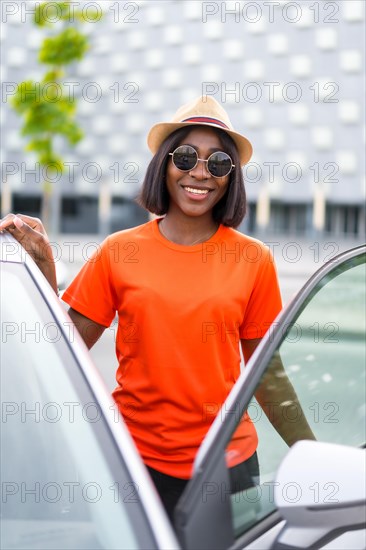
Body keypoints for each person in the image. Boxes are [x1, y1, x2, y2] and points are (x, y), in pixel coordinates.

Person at [0, 96, 315, 522]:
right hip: (132, 464)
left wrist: (315, 460)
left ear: (230, 178)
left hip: (226, 468)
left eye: (218, 162)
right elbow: (62, 350)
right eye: (185, 157)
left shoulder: (253, 259)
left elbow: (268, 375)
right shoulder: (120, 251)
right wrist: (44, 269)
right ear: (164, 165)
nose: (200, 172)